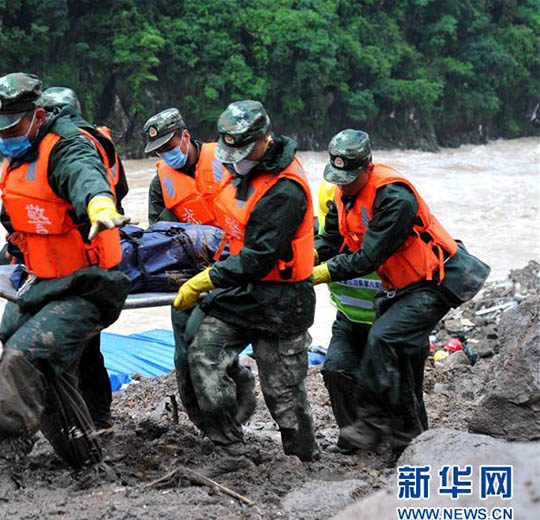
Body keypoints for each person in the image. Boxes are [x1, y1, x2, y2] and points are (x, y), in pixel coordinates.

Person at [0, 73, 131, 473]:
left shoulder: (68, 148)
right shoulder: (22, 151)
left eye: (10, 127)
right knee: (10, 334)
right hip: (44, 279)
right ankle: (84, 451)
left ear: (37, 116)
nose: (3, 136)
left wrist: (98, 205)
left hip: (89, 283)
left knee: (23, 355)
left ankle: (8, 459)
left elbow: (87, 178)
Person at [313, 129, 488, 451]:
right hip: (398, 289)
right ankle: (389, 436)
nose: (344, 184)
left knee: (386, 339)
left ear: (368, 167)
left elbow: (368, 257)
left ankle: (382, 427)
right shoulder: (339, 193)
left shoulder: (395, 197)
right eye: (338, 177)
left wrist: (318, 273)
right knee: (375, 358)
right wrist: (307, 258)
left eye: (350, 177)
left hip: (434, 281)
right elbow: (332, 240)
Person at [172, 100, 319, 475]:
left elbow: (259, 257)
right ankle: (229, 448)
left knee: (283, 390)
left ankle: (303, 457)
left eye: (241, 150)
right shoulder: (238, 172)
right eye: (229, 150)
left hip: (282, 299)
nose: (234, 158)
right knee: (204, 353)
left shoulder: (286, 189)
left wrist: (207, 279)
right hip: (242, 292)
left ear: (264, 140)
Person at [315, 180, 382, 453]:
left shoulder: (386, 236)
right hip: (349, 322)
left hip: (391, 322)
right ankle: (354, 438)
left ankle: (409, 446)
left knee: (399, 382)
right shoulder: (323, 243)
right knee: (335, 369)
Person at [144, 108, 226, 225]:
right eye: (159, 151)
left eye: (169, 147)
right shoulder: (159, 185)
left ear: (186, 136)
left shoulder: (225, 160)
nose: (166, 154)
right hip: (193, 241)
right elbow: (157, 232)